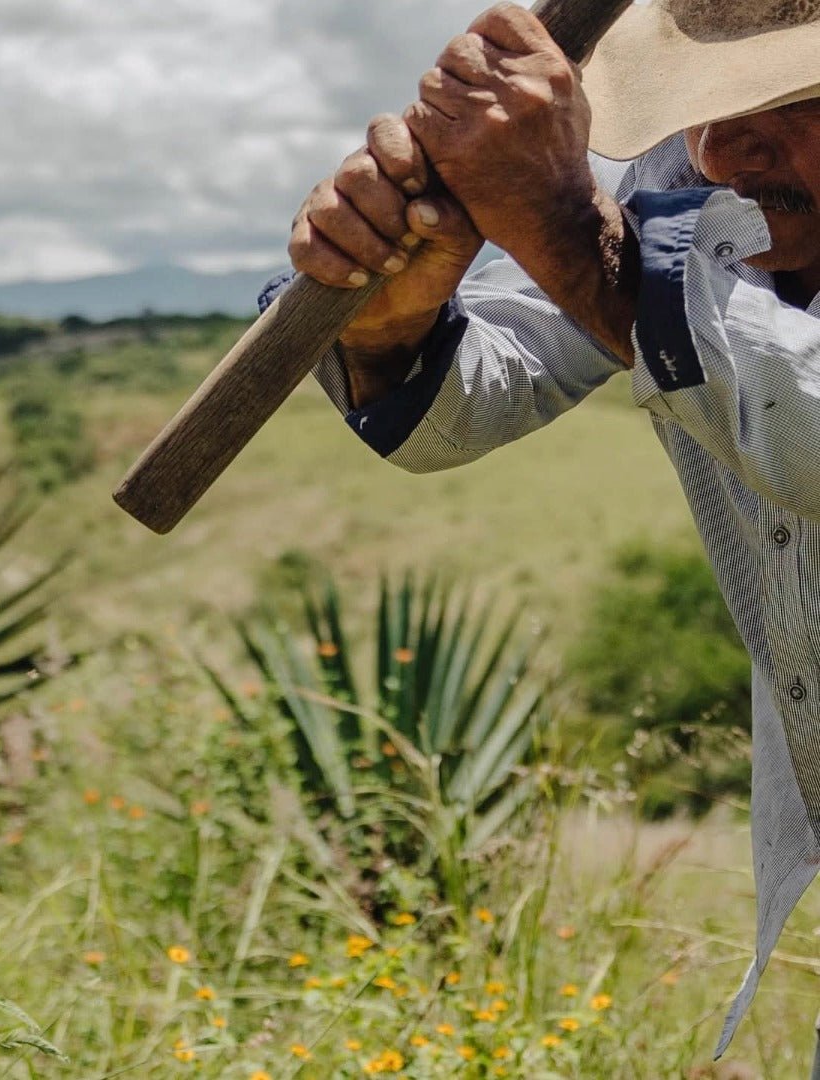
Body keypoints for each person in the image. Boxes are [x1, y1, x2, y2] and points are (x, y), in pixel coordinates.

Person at [261, 0, 820, 1063]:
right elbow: (479, 392)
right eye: (711, 100)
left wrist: (566, 225)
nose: (734, 143)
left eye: (796, 98)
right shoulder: (691, 178)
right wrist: (396, 308)